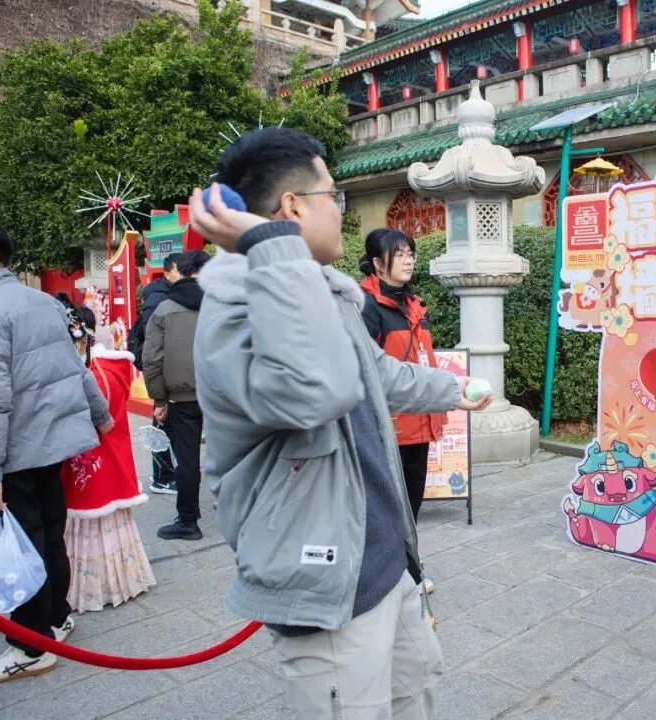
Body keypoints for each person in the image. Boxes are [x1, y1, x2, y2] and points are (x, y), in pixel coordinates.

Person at [190, 126, 491, 719]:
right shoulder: (236, 309)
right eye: (335, 196)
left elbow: (375, 373)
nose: (342, 211)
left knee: (412, 693)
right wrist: (273, 247)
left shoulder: (323, 293)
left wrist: (451, 389)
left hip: (382, 559)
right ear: (293, 207)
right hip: (325, 581)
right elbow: (318, 392)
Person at [0, 222, 113, 683]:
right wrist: (101, 414)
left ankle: (31, 645)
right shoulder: (44, 302)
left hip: (17, 446)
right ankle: (57, 617)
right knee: (49, 532)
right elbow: (76, 366)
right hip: (51, 442)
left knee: (22, 546)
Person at [359, 229, 446, 595]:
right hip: (388, 425)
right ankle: (399, 576)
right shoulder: (366, 306)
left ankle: (406, 571)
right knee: (388, 509)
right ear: (377, 263)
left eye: (410, 252)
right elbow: (365, 369)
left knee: (411, 506)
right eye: (399, 254)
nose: (408, 259)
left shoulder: (414, 304)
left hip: (419, 421)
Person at [61, 307, 155, 612]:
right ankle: (125, 580)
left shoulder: (86, 374)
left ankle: (90, 588)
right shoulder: (113, 369)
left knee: (86, 526)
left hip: (88, 457)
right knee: (115, 525)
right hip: (114, 455)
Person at [142, 250, 209, 541]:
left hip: (182, 398)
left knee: (187, 459)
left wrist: (159, 400)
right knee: (233, 455)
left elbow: (152, 359)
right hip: (222, 395)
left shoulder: (164, 310)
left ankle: (188, 521)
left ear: (180, 272)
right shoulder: (222, 303)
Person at [129, 253, 181, 495]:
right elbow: (155, 343)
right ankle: (161, 478)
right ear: (167, 272)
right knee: (162, 423)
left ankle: (165, 475)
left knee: (165, 422)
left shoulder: (167, 294)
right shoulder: (158, 298)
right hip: (162, 369)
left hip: (168, 369)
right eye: (180, 270)